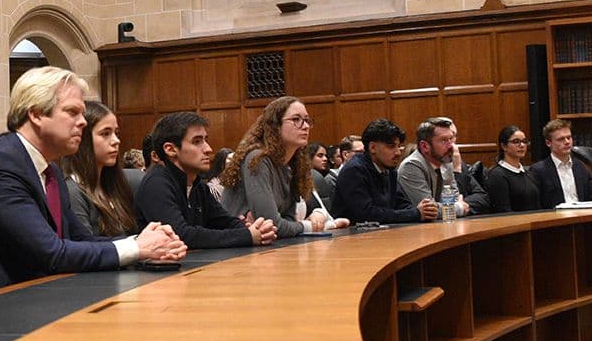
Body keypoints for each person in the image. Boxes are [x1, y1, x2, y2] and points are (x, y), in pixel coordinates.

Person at [0, 67, 186, 306]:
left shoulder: (50, 168)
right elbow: (51, 254)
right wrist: (139, 249)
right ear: (35, 114)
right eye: (72, 112)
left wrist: (143, 242)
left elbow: (80, 240)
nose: (82, 121)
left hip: (16, 300)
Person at [135, 111, 276, 249]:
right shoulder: (156, 183)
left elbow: (225, 221)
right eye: (197, 142)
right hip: (167, 271)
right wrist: (246, 236)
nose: (208, 149)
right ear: (171, 149)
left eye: (205, 140)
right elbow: (181, 235)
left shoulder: (198, 185)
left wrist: (257, 230)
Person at [220, 97, 346, 237]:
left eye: (306, 120)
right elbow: (273, 224)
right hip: (235, 250)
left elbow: (288, 219)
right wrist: (307, 225)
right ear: (275, 125)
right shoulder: (258, 159)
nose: (305, 126)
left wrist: (294, 224)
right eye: (296, 120)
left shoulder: (290, 166)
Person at [331, 118, 438, 224]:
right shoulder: (354, 170)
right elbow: (367, 214)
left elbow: (402, 204)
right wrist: (415, 213)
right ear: (372, 147)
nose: (398, 153)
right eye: (391, 146)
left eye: (399, 146)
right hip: (351, 237)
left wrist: (425, 211)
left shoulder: (389, 169)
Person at [61, 101, 137, 237]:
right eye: (105, 134)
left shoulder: (114, 185)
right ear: (83, 139)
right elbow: (84, 248)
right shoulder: (73, 191)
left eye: (116, 133)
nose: (116, 141)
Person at [397, 117, 488, 217]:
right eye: (444, 140)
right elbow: (429, 210)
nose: (451, 146)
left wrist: (454, 207)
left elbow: (455, 199)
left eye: (451, 139)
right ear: (424, 146)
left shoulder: (445, 159)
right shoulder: (411, 166)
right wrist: (459, 209)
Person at [528, 119, 592, 208]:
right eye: (561, 139)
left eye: (569, 137)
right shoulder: (538, 170)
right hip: (555, 219)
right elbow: (537, 205)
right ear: (548, 143)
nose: (567, 142)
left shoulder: (581, 166)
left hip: (583, 217)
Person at [485, 125, 542, 213]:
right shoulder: (497, 175)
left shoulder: (528, 173)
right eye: (516, 142)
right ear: (504, 146)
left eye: (524, 141)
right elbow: (503, 211)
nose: (522, 145)